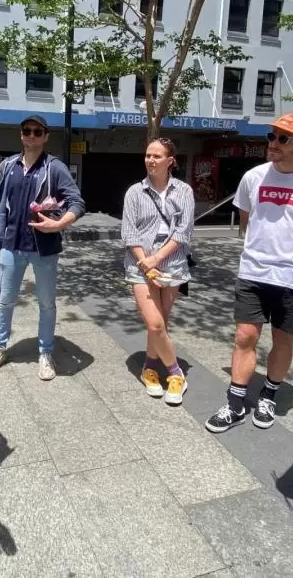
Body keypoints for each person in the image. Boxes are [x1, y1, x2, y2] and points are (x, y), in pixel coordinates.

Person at [204, 113, 293, 433]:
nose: (274, 144)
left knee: (283, 338)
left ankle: (269, 394)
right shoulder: (253, 177)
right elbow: (246, 221)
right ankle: (235, 402)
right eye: (272, 136)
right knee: (245, 336)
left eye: (284, 138)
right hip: (253, 270)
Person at [0, 115, 85, 381]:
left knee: (46, 303)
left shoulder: (54, 168)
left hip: (43, 247)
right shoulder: (7, 165)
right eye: (27, 131)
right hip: (11, 245)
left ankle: (45, 353)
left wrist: (59, 225)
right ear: (21, 135)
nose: (31, 136)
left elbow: (76, 202)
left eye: (37, 132)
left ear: (46, 136)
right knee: (5, 300)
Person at [121, 138, 196, 405]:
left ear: (170, 160)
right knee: (153, 322)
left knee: (162, 322)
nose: (150, 160)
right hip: (140, 264)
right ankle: (176, 373)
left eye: (157, 156)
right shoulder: (134, 192)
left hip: (172, 264)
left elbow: (183, 231)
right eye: (147, 155)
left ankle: (150, 366)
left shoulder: (184, 191)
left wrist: (158, 259)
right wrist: (146, 261)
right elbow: (129, 233)